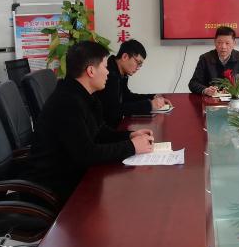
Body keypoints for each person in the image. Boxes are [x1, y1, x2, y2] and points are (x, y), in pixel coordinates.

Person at [31, 41, 154, 199]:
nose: (108, 72)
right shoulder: (67, 103)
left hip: (77, 176)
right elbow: (87, 154)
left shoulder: (84, 95)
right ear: (90, 71)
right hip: (57, 188)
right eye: (105, 67)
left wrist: (130, 136)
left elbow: (100, 132)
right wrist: (131, 146)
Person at [94, 39, 171, 127]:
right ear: (125, 57)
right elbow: (114, 110)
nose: (138, 68)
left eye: (140, 65)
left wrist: (152, 97)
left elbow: (127, 96)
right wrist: (149, 105)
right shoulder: (109, 75)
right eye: (138, 63)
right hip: (105, 129)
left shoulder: (120, 72)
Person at [188, 26, 239, 95]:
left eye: (227, 43)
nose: (223, 47)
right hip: (211, 100)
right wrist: (205, 90)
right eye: (219, 43)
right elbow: (193, 83)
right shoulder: (205, 59)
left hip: (235, 100)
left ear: (234, 43)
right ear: (215, 42)